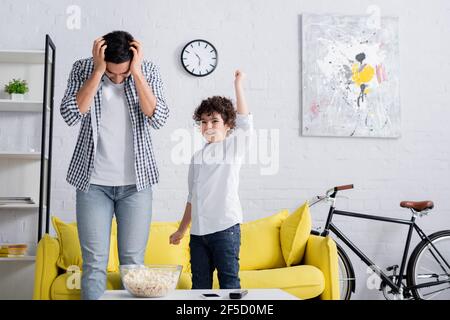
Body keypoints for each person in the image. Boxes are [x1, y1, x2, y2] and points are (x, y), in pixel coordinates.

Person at [60, 30, 169, 300]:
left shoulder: (147, 70)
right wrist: (98, 74)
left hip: (136, 185)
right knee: (94, 263)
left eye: (124, 74)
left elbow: (159, 118)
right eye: (112, 74)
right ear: (100, 57)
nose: (118, 79)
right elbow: (70, 114)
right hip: (92, 184)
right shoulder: (83, 69)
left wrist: (138, 74)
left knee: (132, 262)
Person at [169, 70, 253, 289]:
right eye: (204, 122)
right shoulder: (197, 158)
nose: (208, 126)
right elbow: (191, 198)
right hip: (198, 235)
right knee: (199, 288)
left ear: (228, 125)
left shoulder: (233, 148)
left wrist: (238, 85)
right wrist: (181, 230)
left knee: (229, 285)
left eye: (214, 121)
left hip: (225, 230)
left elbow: (245, 122)